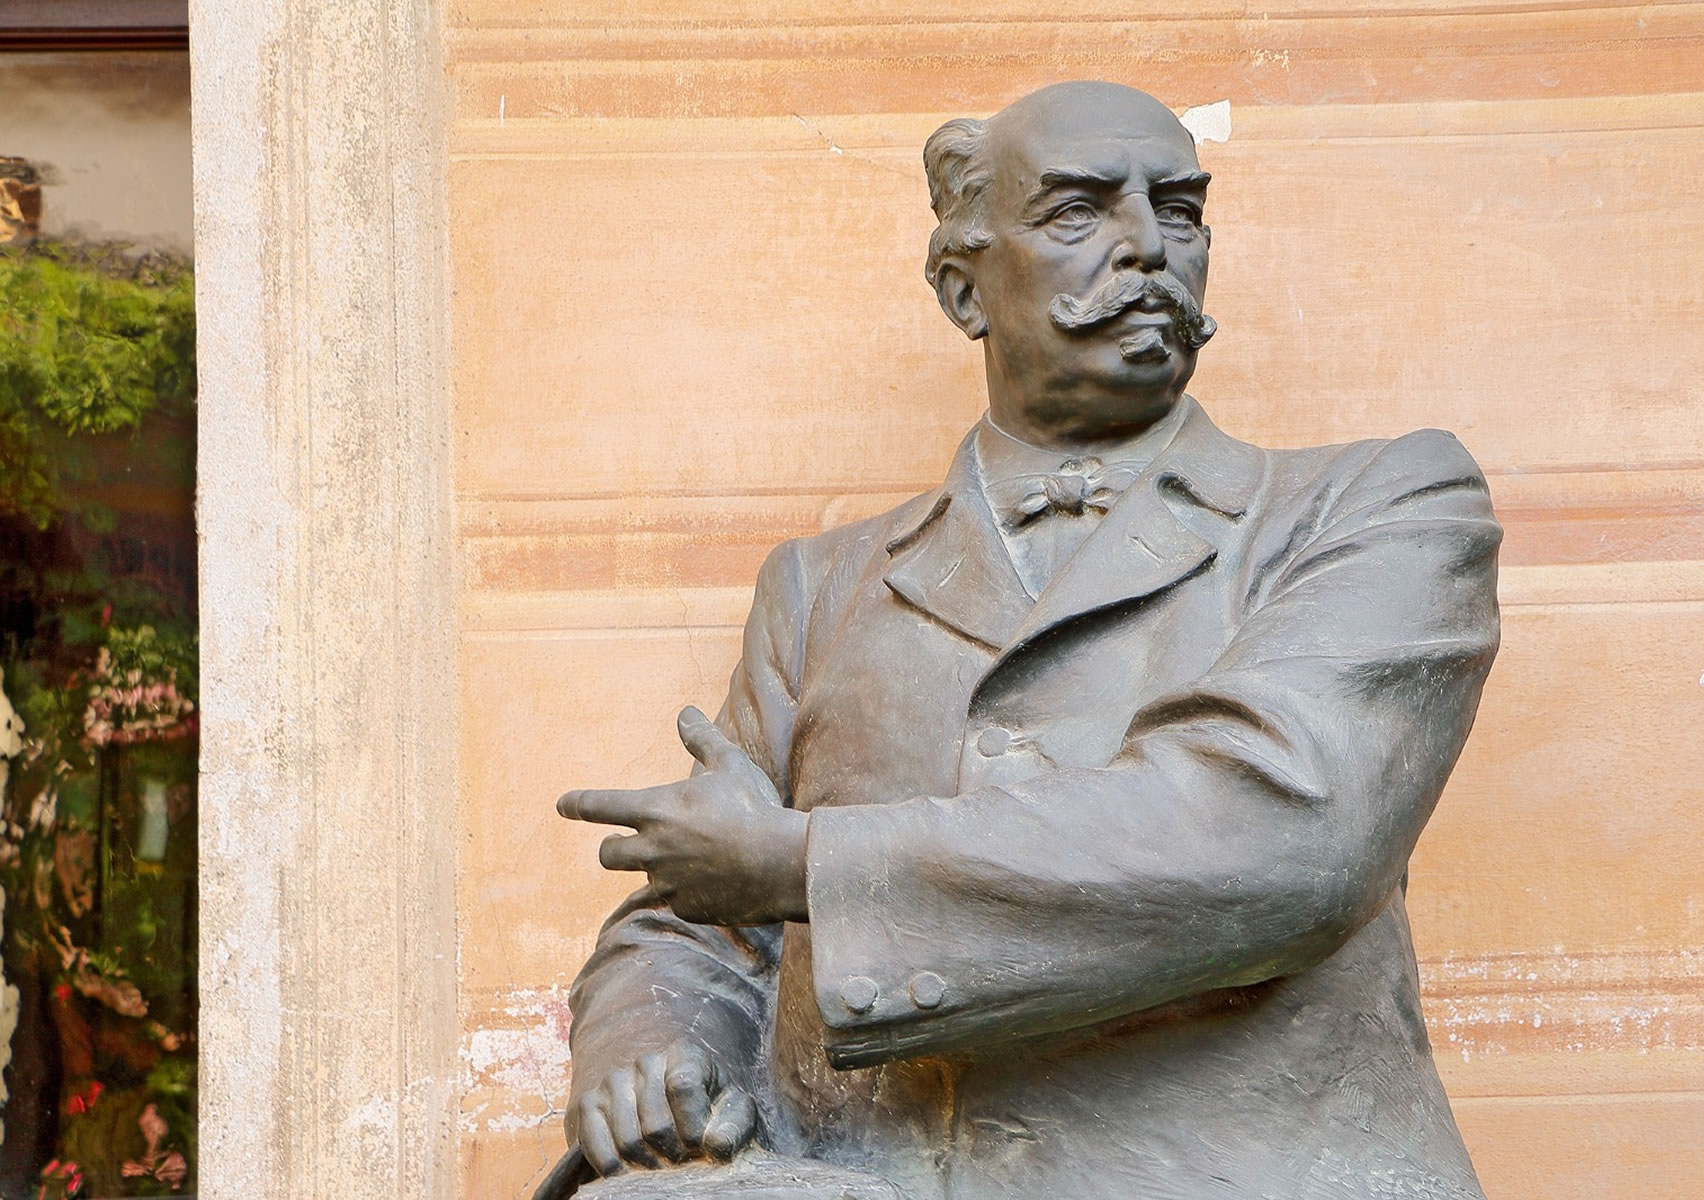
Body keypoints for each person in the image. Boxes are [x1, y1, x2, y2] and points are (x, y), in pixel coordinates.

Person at [547, 80, 1499, 1200]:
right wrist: (655, 1045)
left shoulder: (1379, 503)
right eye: (1077, 213)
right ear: (964, 288)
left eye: (1178, 210)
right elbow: (701, 913)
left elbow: (1282, 832)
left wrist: (809, 864)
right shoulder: (820, 586)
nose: (1147, 246)